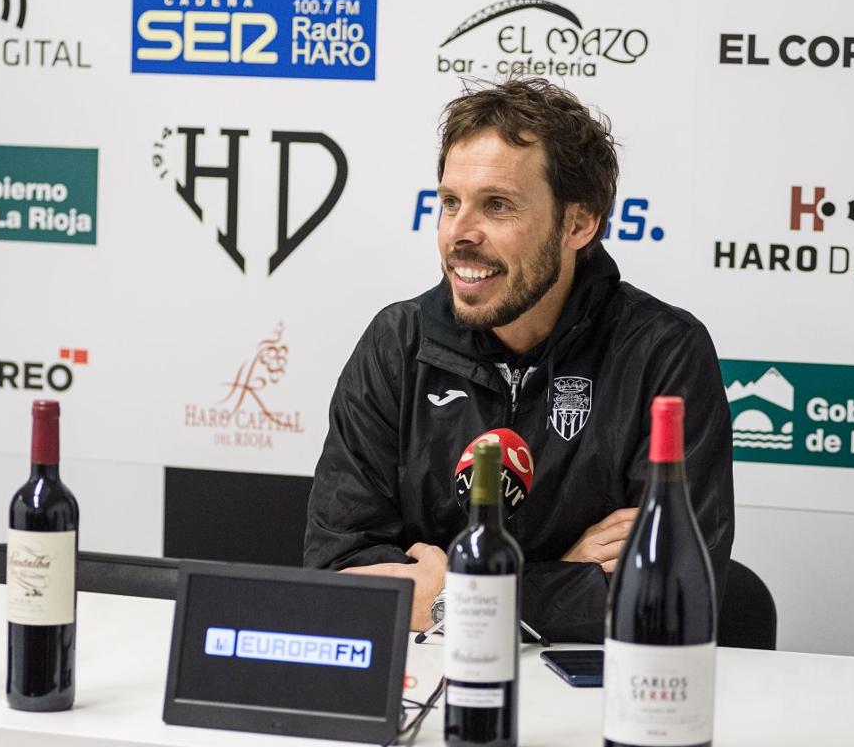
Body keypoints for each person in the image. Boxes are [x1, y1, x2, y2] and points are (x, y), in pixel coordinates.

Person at [304, 78, 733, 641]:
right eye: (450, 202)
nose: (458, 233)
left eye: (497, 206)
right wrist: (561, 578)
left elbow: (667, 588)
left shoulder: (663, 353)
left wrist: (448, 598)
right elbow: (340, 569)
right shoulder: (398, 343)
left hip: (589, 702)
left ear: (579, 224)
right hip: (419, 687)